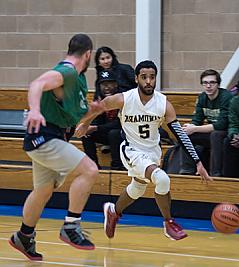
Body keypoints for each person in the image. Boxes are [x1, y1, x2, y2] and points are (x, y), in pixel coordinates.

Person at [75, 60, 212, 241]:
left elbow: (180, 134)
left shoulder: (163, 104)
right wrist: (85, 124)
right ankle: (169, 223)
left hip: (152, 152)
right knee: (162, 179)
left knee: (138, 188)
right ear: (136, 79)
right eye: (144, 77)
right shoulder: (125, 98)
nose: (148, 81)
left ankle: (113, 211)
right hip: (131, 150)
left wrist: (198, 162)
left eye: (152, 77)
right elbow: (100, 106)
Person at [9, 34, 98, 261]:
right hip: (44, 137)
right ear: (88, 54)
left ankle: (24, 236)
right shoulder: (67, 71)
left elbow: (76, 112)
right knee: (89, 170)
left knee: (44, 189)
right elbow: (37, 84)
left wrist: (95, 111)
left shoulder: (77, 79)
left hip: (52, 137)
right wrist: (35, 110)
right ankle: (71, 226)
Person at [180, 69, 233, 176]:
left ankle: (215, 173)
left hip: (228, 133)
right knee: (185, 135)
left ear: (218, 84)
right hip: (212, 133)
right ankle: (187, 170)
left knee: (216, 135)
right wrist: (190, 127)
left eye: (212, 83)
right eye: (205, 83)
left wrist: (195, 128)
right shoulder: (202, 97)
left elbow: (221, 125)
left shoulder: (226, 97)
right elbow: (197, 119)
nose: (208, 86)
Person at [81, 69, 124, 170]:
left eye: (110, 83)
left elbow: (119, 124)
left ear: (116, 85)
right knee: (86, 134)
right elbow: (96, 121)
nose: (107, 87)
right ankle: (93, 166)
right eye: (103, 84)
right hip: (106, 133)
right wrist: (89, 127)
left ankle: (117, 166)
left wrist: (96, 128)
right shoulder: (99, 101)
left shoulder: (122, 99)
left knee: (114, 133)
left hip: (124, 135)